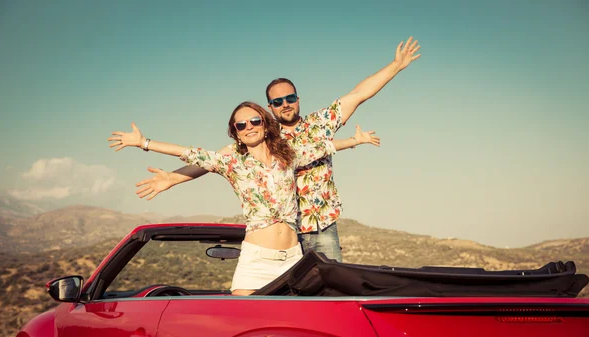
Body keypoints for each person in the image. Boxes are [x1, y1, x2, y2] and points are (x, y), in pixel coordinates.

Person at [131, 37, 421, 262]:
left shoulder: (321, 123)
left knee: (331, 297)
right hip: (286, 235)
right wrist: (172, 178)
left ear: (298, 98)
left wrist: (395, 66)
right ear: (269, 107)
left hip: (322, 228)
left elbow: (358, 94)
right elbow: (215, 161)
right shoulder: (261, 134)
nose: (285, 104)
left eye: (290, 98)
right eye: (277, 102)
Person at [107, 102, 379, 295]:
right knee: (245, 321)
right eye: (241, 124)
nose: (248, 126)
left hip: (294, 259)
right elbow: (193, 154)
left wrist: (356, 141)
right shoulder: (233, 163)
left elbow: (324, 147)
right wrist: (144, 143)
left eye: (254, 121)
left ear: (265, 124)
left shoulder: (288, 156)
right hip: (257, 261)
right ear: (235, 132)